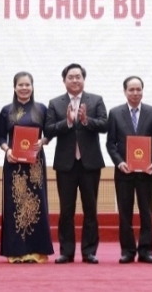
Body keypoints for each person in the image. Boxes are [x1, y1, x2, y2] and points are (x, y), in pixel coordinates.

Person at [44, 63, 108, 264]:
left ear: (83, 79)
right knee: (66, 210)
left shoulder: (96, 100)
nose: (74, 80)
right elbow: (48, 129)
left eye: (78, 77)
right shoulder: (55, 103)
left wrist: (86, 120)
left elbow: (105, 125)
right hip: (66, 164)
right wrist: (68, 122)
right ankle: (67, 252)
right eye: (70, 77)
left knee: (90, 209)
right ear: (64, 80)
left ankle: (89, 252)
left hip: (90, 164)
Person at [0, 71, 54, 263]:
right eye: (20, 85)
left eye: (27, 84)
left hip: (35, 163)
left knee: (36, 203)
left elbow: (50, 132)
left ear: (32, 86)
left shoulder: (42, 109)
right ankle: (16, 252)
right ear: (14, 87)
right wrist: (7, 150)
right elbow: (0, 136)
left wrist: (43, 141)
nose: (24, 88)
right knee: (15, 204)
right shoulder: (6, 110)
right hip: (13, 163)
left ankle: (36, 251)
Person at [106, 76, 152, 264]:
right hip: (124, 172)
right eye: (131, 89)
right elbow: (111, 144)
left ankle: (146, 251)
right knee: (125, 213)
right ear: (125, 91)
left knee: (147, 212)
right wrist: (119, 162)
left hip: (146, 172)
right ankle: (127, 251)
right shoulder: (115, 113)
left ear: (142, 91)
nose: (135, 93)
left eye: (138, 89)